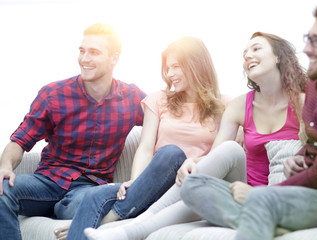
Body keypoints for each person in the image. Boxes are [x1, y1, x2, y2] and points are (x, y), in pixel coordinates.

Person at [84, 31, 307, 240]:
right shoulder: (240, 106)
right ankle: (132, 226)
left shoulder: (303, 103)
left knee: (199, 184)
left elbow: (315, 155)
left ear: (279, 56)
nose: (248, 55)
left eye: (256, 49)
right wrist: (193, 163)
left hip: (275, 196)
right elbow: (219, 152)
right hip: (240, 188)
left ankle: (132, 229)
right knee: (226, 152)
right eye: (245, 53)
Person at [180, 2, 317, 240]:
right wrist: (298, 159)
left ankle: (264, 214)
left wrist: (258, 194)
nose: (306, 49)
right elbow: (315, 146)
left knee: (263, 199)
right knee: (193, 186)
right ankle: (273, 222)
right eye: (308, 38)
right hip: (294, 191)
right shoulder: (316, 88)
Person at [52, 36, 231, 240]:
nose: (170, 74)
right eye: (167, 68)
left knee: (171, 153)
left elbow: (220, 155)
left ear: (196, 66)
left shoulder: (225, 106)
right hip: (150, 185)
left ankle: (108, 221)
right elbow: (145, 148)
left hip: (187, 186)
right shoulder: (159, 99)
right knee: (94, 195)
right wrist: (135, 182)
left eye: (176, 67)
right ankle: (112, 218)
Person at [0, 23, 146, 240]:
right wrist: (5, 166)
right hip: (47, 182)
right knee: (2, 190)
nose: (84, 59)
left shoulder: (132, 98)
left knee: (90, 202)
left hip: (88, 190)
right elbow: (20, 140)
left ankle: (62, 210)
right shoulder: (53, 94)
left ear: (114, 58)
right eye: (82, 51)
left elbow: (167, 120)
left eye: (94, 52)